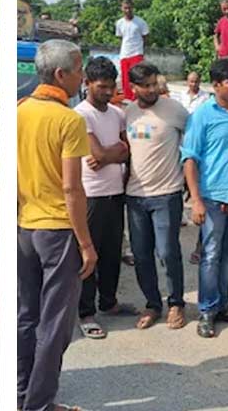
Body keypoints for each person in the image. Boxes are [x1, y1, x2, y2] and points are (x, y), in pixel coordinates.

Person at [17, 39, 97, 411]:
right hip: (58, 231)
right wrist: (85, 243)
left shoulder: (19, 111)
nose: (82, 76)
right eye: (79, 70)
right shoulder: (68, 120)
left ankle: (22, 396)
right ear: (61, 74)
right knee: (55, 325)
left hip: (25, 227)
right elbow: (71, 187)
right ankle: (41, 404)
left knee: (28, 317)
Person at [182, 58, 228, 338]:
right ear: (216, 85)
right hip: (212, 198)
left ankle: (223, 305)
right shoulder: (202, 114)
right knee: (210, 256)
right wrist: (196, 200)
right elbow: (189, 158)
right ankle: (207, 310)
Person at [125, 63, 190, 330]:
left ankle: (176, 303)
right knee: (141, 255)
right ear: (134, 87)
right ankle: (153, 304)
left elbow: (194, 142)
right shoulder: (127, 113)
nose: (152, 89)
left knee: (167, 251)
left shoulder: (174, 110)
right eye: (146, 85)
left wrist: (190, 177)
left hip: (167, 193)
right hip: (135, 196)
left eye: (154, 84)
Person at [74, 57, 135, 339]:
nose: (108, 92)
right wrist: (113, 153)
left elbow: (127, 151)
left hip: (115, 193)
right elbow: (96, 155)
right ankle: (86, 312)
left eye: (112, 87)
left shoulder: (117, 114)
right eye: (102, 87)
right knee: (90, 255)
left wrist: (110, 154)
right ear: (87, 83)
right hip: (92, 196)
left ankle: (108, 303)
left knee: (112, 253)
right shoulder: (81, 115)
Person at [115, 0, 149, 101]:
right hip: (125, 54)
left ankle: (137, 99)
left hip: (137, 53)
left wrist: (142, 52)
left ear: (133, 8)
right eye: (125, 8)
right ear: (122, 9)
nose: (127, 10)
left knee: (137, 77)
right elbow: (121, 38)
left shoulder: (140, 22)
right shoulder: (119, 23)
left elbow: (146, 37)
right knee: (125, 79)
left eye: (129, 8)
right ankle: (128, 99)